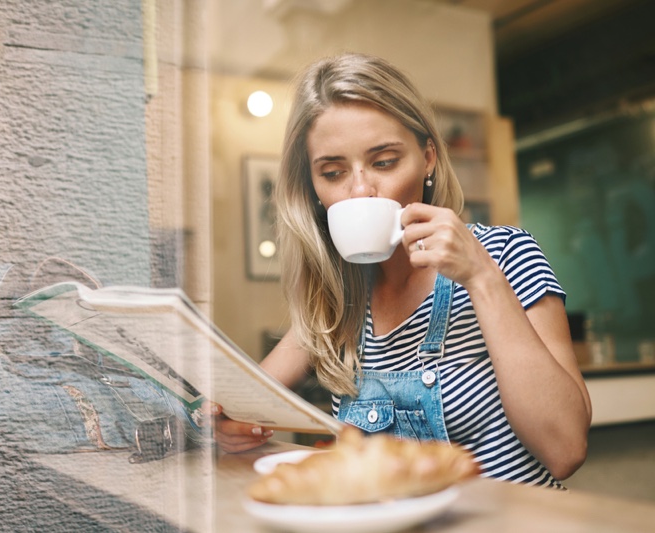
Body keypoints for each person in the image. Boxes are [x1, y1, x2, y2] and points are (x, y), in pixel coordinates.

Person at [212, 53, 591, 487]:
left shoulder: (505, 254)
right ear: (313, 189)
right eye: (333, 172)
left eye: (384, 162)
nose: (360, 190)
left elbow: (566, 449)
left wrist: (481, 278)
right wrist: (228, 424)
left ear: (427, 157)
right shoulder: (337, 301)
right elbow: (243, 405)